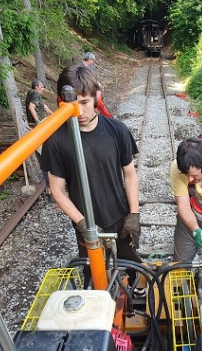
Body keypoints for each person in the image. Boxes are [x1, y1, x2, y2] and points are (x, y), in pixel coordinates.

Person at [42, 64, 142, 265]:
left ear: (97, 97)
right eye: (73, 104)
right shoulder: (55, 141)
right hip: (85, 222)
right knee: (93, 273)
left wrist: (134, 214)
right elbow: (57, 190)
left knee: (133, 266)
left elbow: (130, 174)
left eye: (85, 102)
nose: (79, 111)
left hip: (119, 217)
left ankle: (135, 288)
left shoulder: (117, 130)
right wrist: (82, 223)